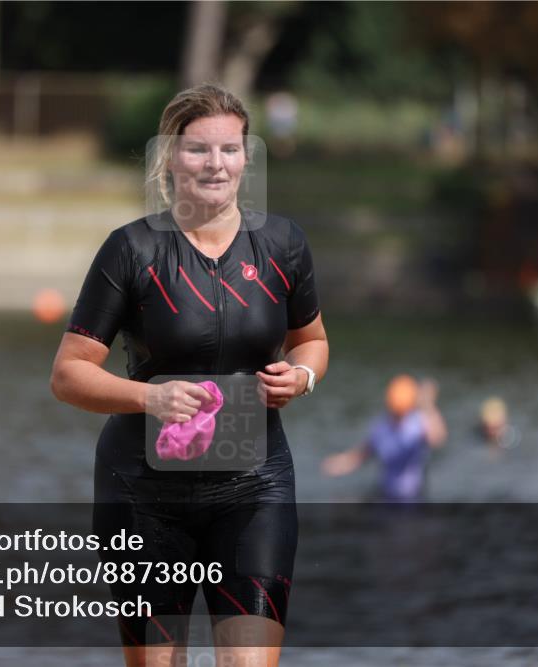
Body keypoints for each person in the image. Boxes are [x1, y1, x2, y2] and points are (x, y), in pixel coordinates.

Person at [51, 84, 328, 667]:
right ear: (170, 157)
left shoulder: (283, 245)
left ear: (247, 157)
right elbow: (69, 374)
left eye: (230, 149)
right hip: (144, 494)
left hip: (255, 487)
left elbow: (314, 341)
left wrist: (301, 377)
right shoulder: (131, 250)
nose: (216, 164)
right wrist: (149, 396)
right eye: (199, 150)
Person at [321, 375, 446, 502]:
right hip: (386, 495)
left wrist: (428, 405)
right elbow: (361, 455)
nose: (397, 416)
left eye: (401, 412)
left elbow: (436, 439)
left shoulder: (419, 423)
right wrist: (339, 463)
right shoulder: (382, 427)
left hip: (413, 496)